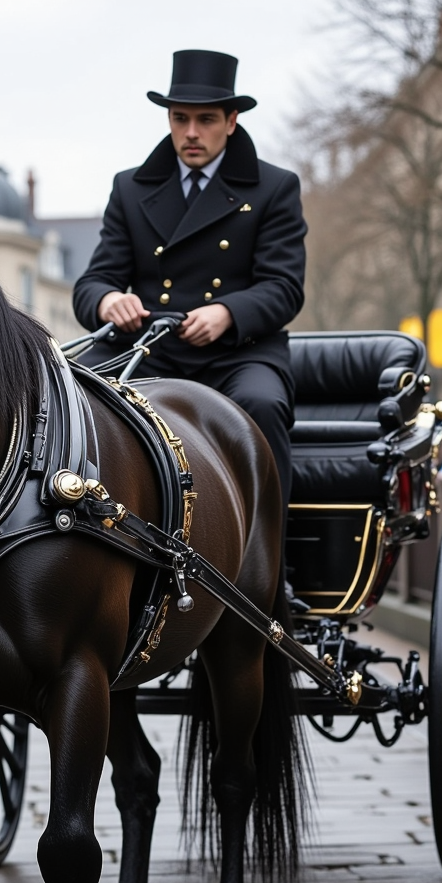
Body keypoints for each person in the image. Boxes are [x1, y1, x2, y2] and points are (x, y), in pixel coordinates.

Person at [73, 50, 306, 573]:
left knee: (261, 406)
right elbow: (93, 282)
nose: (191, 132)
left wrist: (227, 312)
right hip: (152, 349)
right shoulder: (131, 188)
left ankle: (267, 567)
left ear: (232, 121)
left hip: (239, 354)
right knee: (73, 398)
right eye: (181, 119)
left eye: (205, 120)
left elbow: (285, 287)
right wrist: (109, 299)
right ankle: (88, 554)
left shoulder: (274, 187)